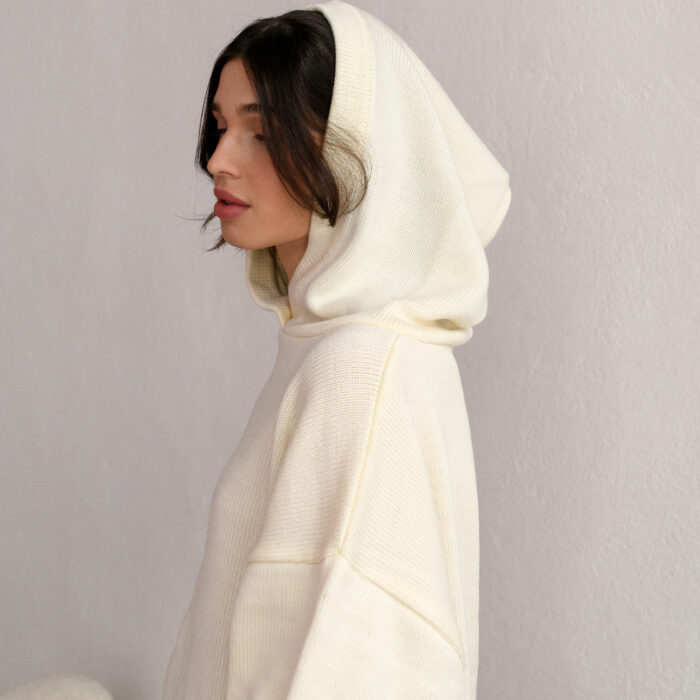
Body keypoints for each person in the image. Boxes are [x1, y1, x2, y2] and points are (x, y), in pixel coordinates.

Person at [161, 1, 512, 698]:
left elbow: (360, 666)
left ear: (355, 148)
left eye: (262, 132)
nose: (218, 161)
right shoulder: (332, 349)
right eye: (221, 127)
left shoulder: (364, 369)